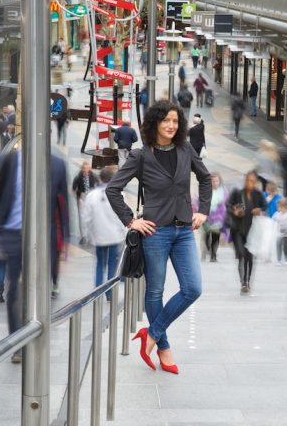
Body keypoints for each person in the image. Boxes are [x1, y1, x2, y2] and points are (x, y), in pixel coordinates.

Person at [105, 100, 211, 374]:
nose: (172, 125)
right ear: (155, 123)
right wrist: (131, 220)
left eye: (176, 121)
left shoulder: (185, 148)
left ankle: (150, 335)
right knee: (155, 291)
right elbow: (113, 189)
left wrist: (204, 211)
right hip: (156, 232)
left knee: (193, 289)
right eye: (166, 121)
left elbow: (205, 178)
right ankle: (163, 347)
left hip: (185, 230)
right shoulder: (141, 156)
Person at [0, 149, 69, 363]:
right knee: (13, 289)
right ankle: (17, 343)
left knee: (40, 288)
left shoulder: (58, 164)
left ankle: (35, 336)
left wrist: (65, 242)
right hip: (12, 234)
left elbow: (63, 204)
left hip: (43, 237)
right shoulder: (8, 160)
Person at [81, 165, 127, 301]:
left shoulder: (91, 195)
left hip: (99, 235)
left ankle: (97, 292)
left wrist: (87, 234)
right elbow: (122, 216)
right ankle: (109, 293)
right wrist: (123, 232)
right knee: (113, 264)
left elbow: (86, 218)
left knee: (100, 263)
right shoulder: (119, 194)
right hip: (114, 236)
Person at [227, 171, 266, 294]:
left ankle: (247, 281)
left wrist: (259, 209)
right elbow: (228, 205)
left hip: (252, 231)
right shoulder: (238, 193)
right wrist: (235, 210)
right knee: (242, 254)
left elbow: (265, 206)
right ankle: (243, 282)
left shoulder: (258, 194)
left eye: (253, 181)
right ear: (245, 180)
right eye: (249, 180)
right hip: (238, 229)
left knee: (250, 257)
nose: (251, 183)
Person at [201, 172, 228, 263]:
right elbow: (200, 201)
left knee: (216, 236)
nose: (215, 183)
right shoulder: (206, 190)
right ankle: (208, 250)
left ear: (219, 181)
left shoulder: (224, 191)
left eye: (216, 181)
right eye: (213, 181)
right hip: (207, 216)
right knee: (207, 235)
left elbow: (227, 204)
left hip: (219, 217)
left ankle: (213, 255)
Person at [72, 161, 98, 244]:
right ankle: (84, 236)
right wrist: (77, 195)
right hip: (82, 197)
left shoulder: (93, 176)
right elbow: (74, 187)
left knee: (91, 216)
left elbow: (98, 185)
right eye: (84, 168)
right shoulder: (78, 177)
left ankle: (90, 236)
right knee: (82, 217)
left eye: (87, 168)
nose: (85, 170)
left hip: (91, 197)